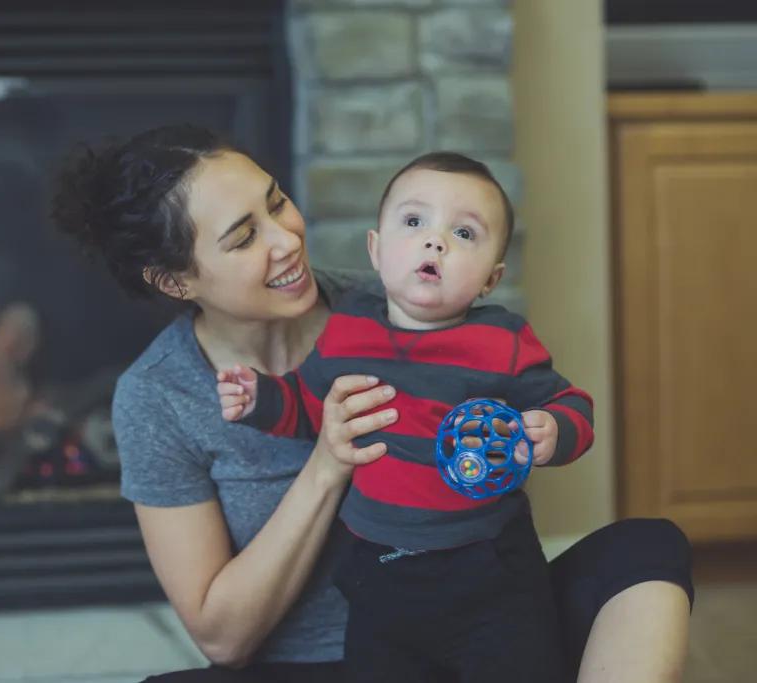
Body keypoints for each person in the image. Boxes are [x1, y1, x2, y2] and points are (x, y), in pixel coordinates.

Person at [51, 124, 694, 683]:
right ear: (176, 280)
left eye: (278, 203)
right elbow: (223, 639)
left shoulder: (393, 302)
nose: (286, 240)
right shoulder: (158, 395)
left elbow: (515, 410)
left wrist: (539, 431)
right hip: (337, 658)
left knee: (645, 548)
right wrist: (329, 462)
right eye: (245, 236)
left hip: (478, 617)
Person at [215, 152, 590, 681]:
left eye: (464, 233)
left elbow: (571, 402)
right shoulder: (348, 330)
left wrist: (557, 429)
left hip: (488, 565)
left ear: (491, 278)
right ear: (377, 249)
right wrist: (261, 400)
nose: (435, 241)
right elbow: (311, 405)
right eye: (414, 222)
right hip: (379, 566)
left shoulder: (502, 341)